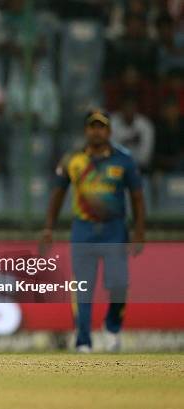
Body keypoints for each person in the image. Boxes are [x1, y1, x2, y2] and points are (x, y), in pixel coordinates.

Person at [40, 109, 146, 353]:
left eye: (101, 127)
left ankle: (112, 327)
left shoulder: (123, 160)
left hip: (115, 230)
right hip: (83, 229)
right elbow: (57, 194)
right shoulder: (73, 160)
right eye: (92, 126)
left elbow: (138, 198)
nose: (96, 131)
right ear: (86, 130)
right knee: (82, 287)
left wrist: (139, 232)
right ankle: (83, 340)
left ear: (108, 131)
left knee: (119, 283)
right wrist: (48, 228)